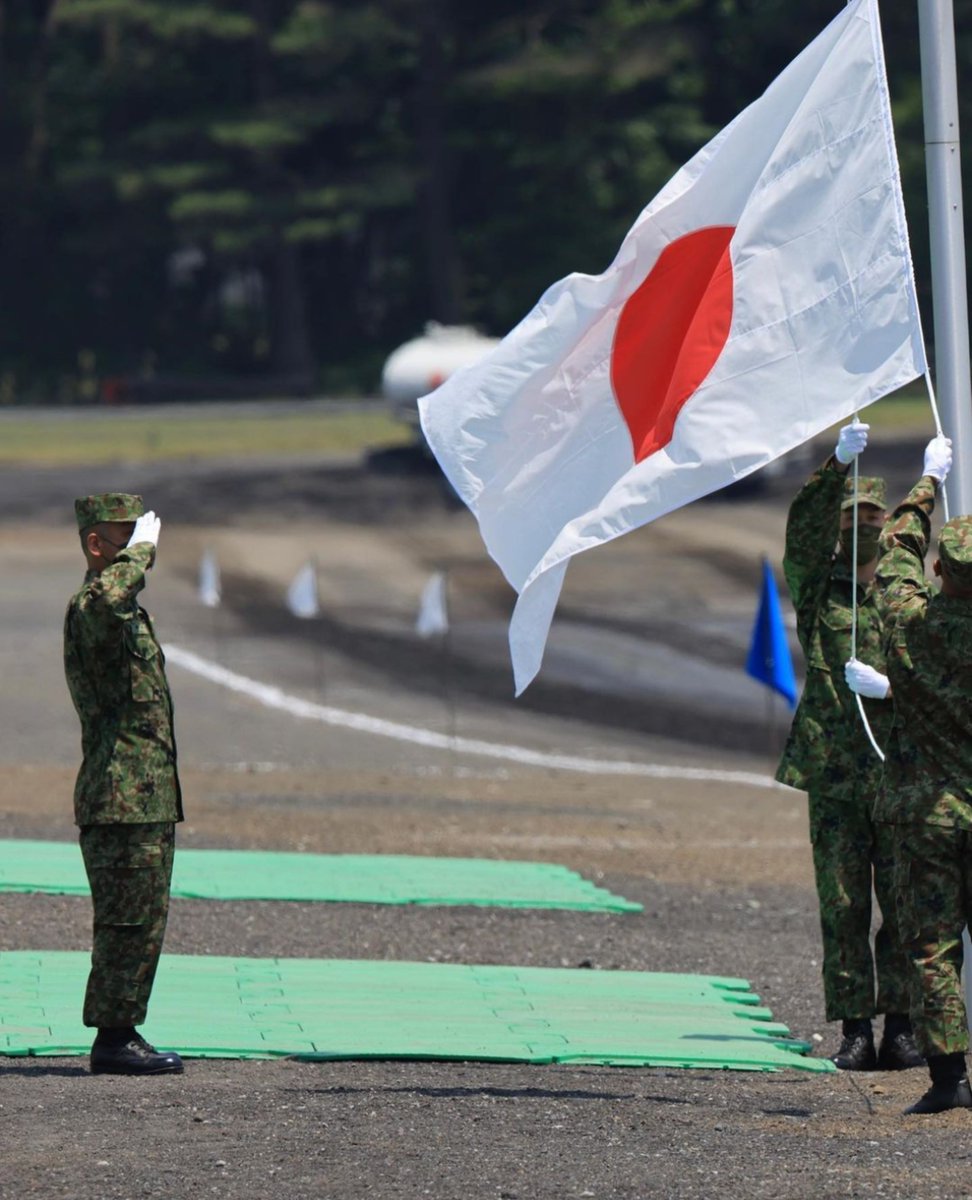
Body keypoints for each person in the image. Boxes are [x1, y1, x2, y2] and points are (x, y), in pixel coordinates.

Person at [776, 421, 920, 1071]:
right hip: (835, 776)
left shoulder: (903, 593)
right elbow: (800, 535)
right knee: (842, 907)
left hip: (897, 772)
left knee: (906, 904)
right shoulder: (817, 590)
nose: (860, 523)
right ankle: (856, 1029)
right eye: (850, 515)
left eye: (871, 514)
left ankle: (903, 1027)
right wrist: (835, 465)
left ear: (886, 523)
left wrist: (894, 688)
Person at [846, 434, 972, 1114]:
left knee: (932, 947)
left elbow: (894, 548)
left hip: (927, 812)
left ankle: (951, 1078)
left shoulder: (912, 622)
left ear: (943, 571)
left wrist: (926, 482)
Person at [63, 493, 184, 1076]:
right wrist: (138, 558)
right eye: (124, 535)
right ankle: (113, 1039)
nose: (138, 546)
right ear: (96, 544)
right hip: (119, 795)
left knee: (145, 920)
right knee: (125, 922)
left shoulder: (125, 614)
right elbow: (111, 592)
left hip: (143, 794)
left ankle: (124, 1029)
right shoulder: (95, 605)